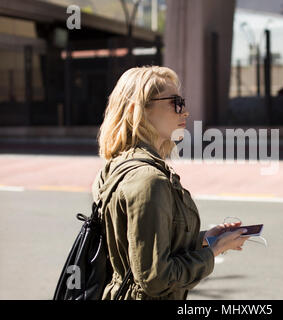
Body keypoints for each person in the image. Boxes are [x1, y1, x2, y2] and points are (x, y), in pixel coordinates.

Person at [91, 66, 250, 300]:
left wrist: (205, 239)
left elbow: (138, 245)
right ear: (139, 111)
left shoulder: (117, 165)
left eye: (183, 101)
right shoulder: (148, 179)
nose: (185, 111)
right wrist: (214, 251)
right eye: (176, 102)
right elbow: (156, 279)